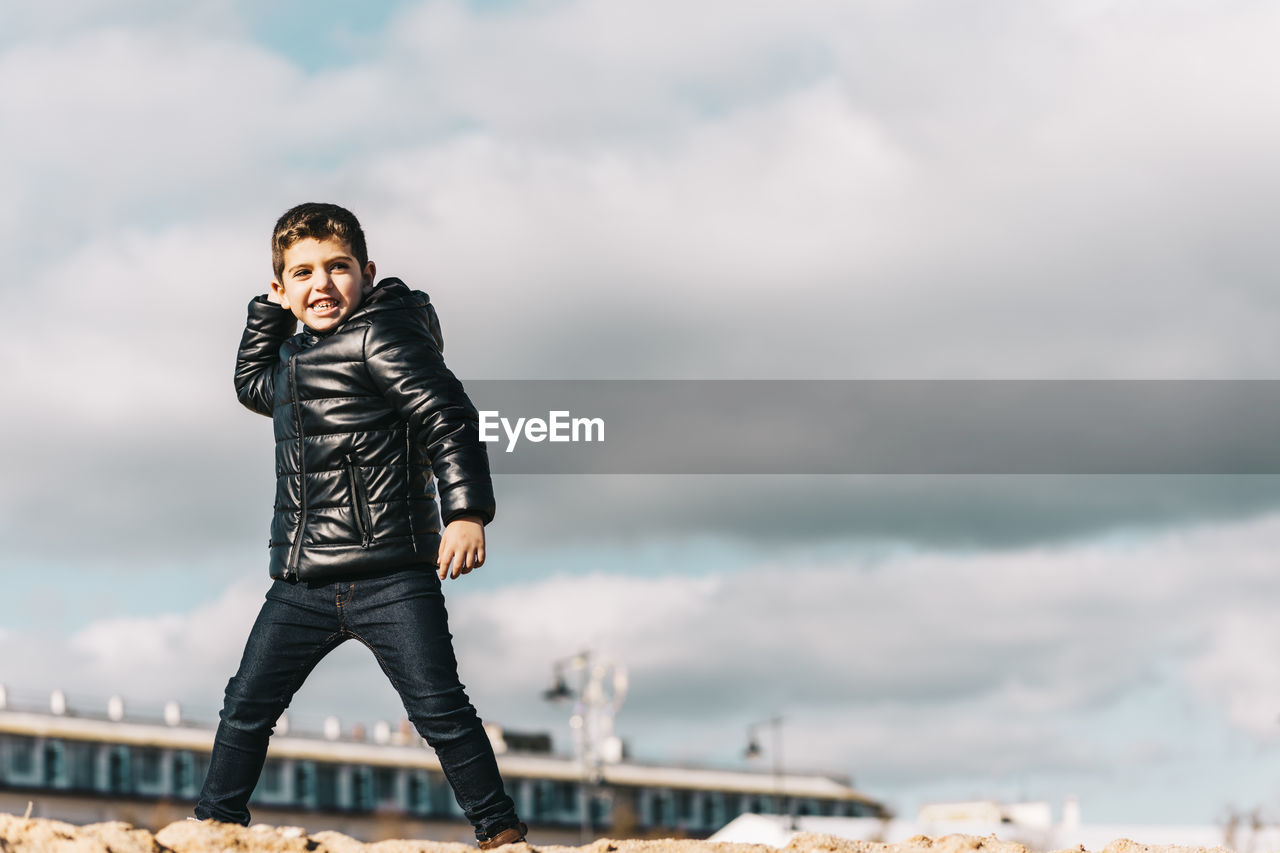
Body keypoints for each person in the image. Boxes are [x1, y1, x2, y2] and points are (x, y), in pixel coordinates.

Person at [194, 202, 527, 849]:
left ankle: (501, 830)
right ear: (283, 288)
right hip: (304, 579)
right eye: (302, 273)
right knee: (246, 706)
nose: (322, 283)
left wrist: (465, 511)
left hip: (391, 572)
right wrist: (264, 315)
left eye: (337, 267)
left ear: (367, 272)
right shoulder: (293, 358)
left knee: (440, 709)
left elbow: (447, 416)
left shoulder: (384, 337)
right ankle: (215, 824)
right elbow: (251, 385)